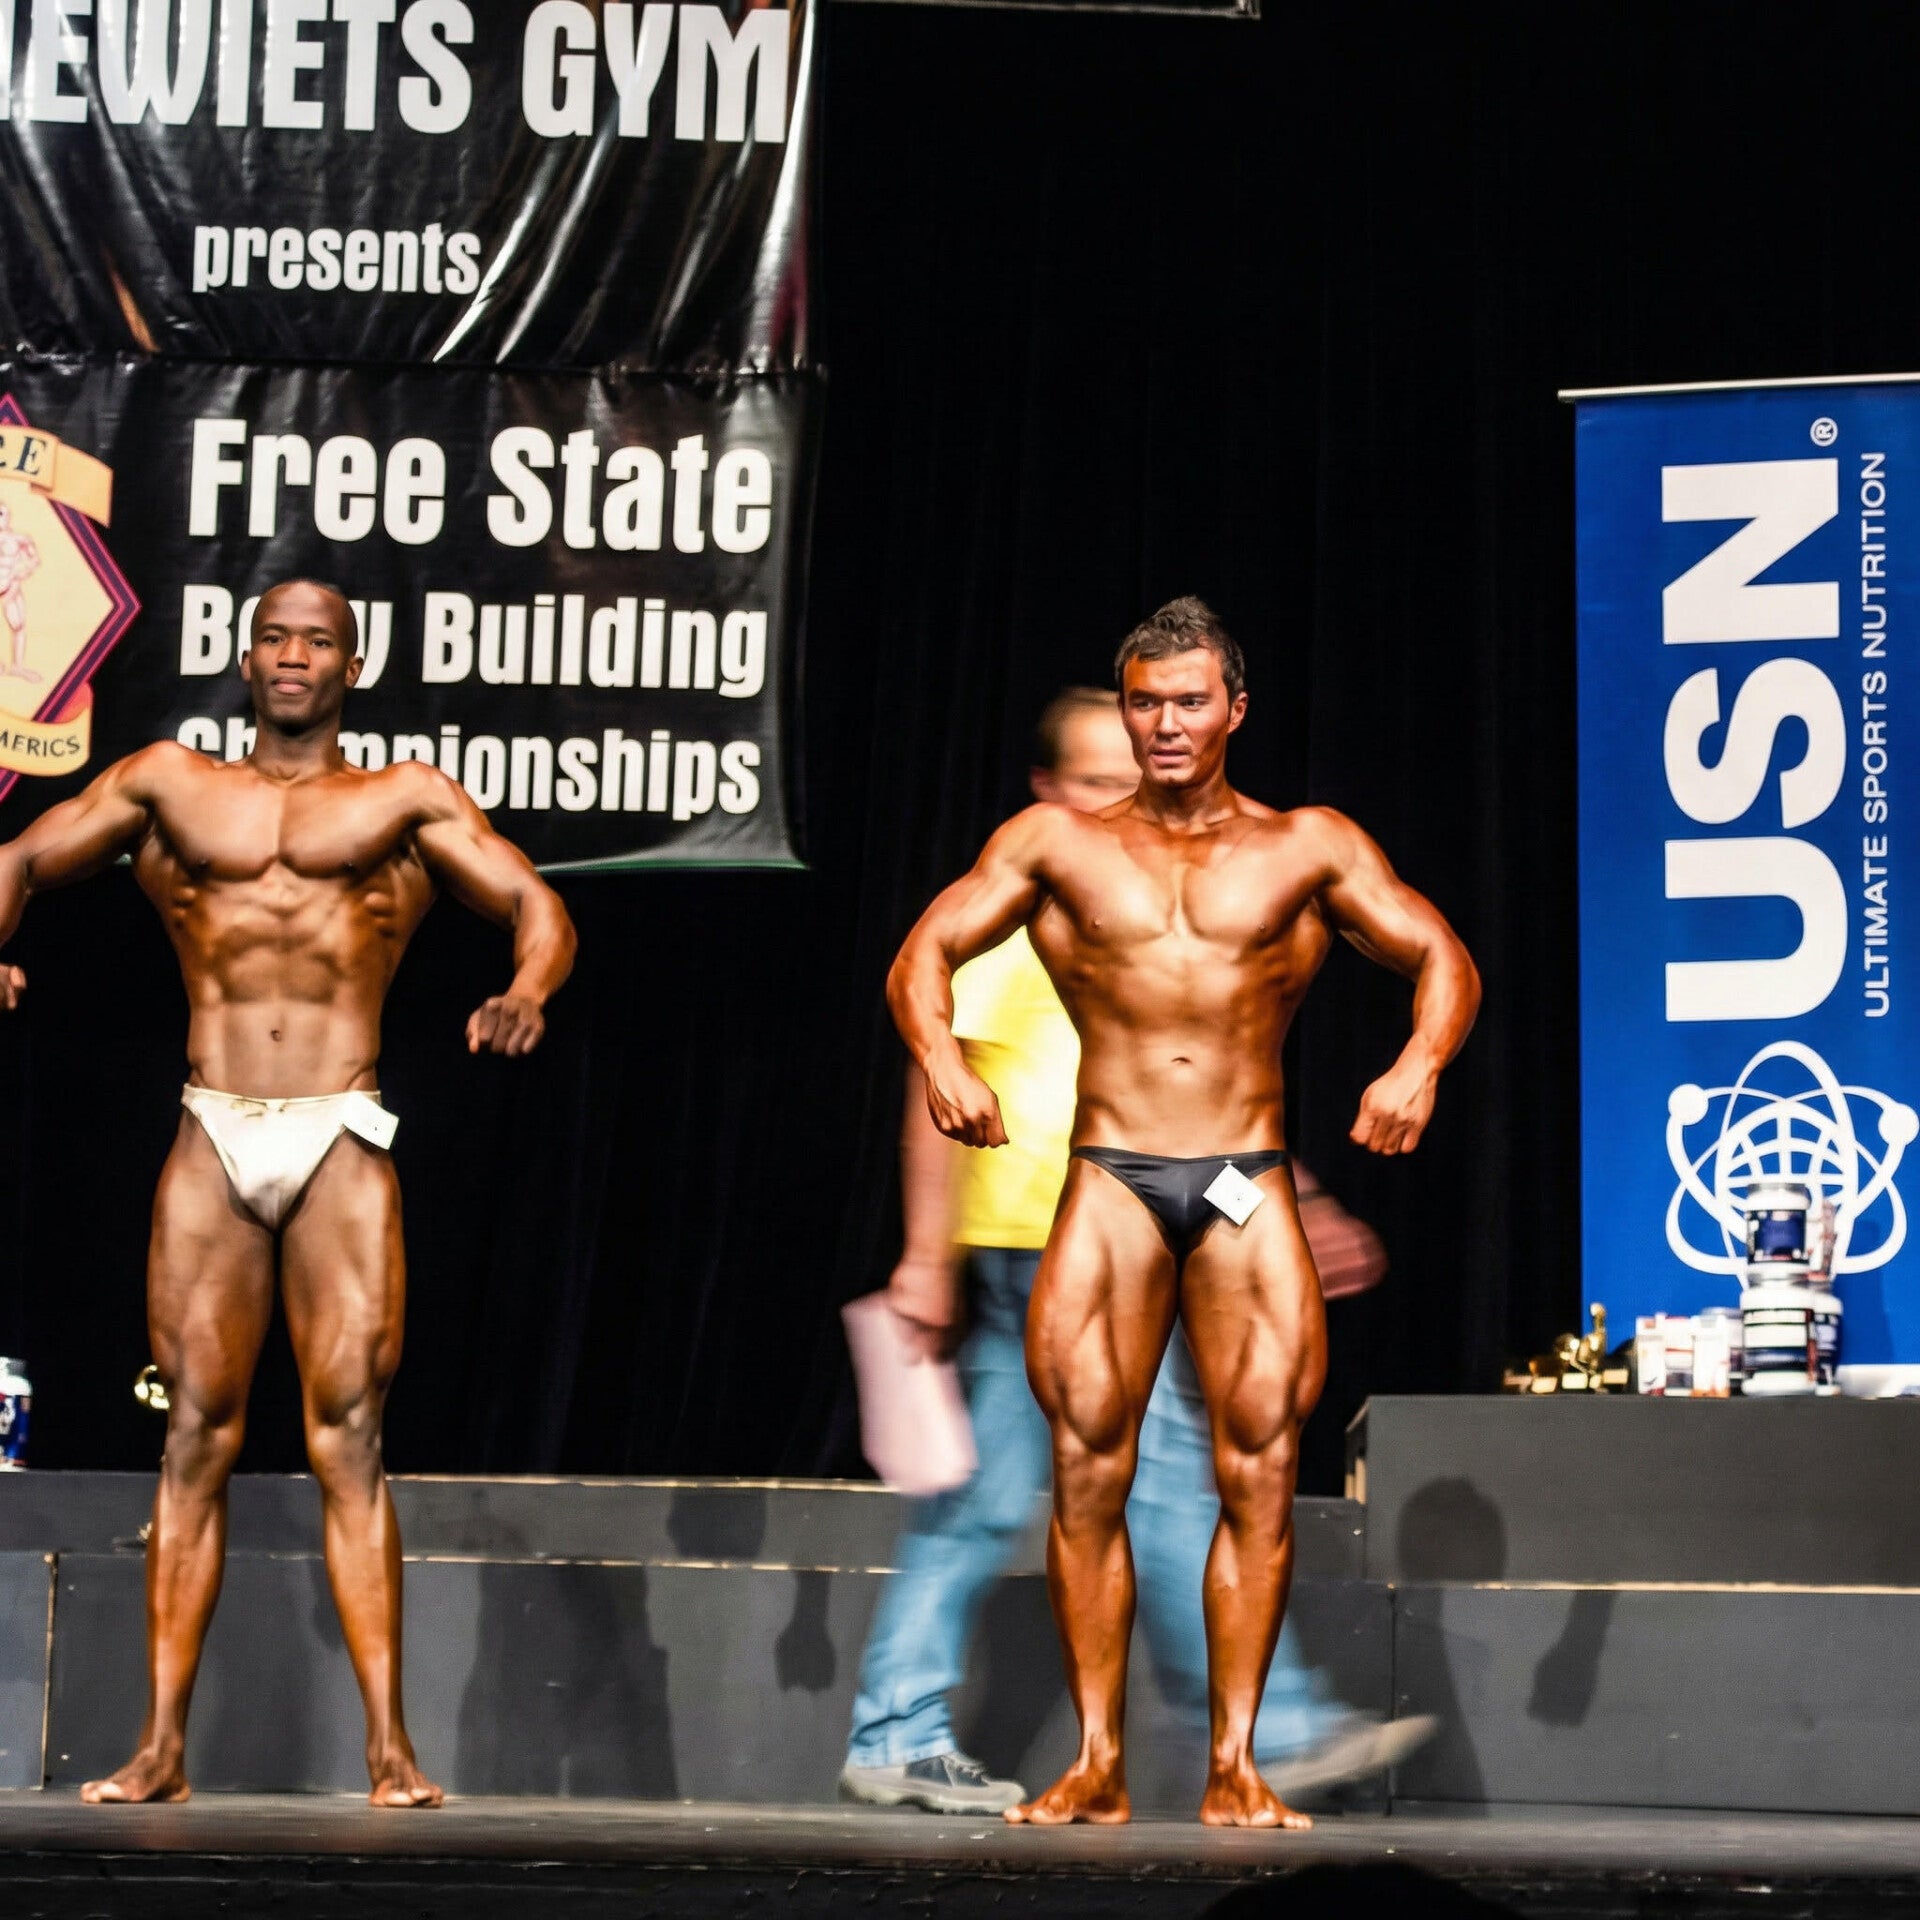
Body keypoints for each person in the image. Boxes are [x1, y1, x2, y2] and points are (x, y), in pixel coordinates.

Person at [888, 599, 1479, 1828]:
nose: (1165, 724)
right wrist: (941, 1059)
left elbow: (1442, 956)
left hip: (1239, 1178)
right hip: (1112, 1172)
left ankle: (1237, 1765)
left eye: (1190, 701)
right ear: (1126, 708)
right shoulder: (1055, 843)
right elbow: (922, 955)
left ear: (1234, 710)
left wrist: (1418, 1065)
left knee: (1259, 1468)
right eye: (1146, 702)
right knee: (1086, 1471)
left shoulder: (1305, 847)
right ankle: (1097, 1762)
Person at [0, 580, 577, 1807]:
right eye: (275, 637)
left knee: (350, 1438)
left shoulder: (402, 799)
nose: (294, 655)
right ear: (245, 656)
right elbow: (18, 859)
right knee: (193, 1436)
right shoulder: (168, 785)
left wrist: (528, 988)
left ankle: (390, 1752)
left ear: (351, 666)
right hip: (212, 1126)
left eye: (318, 640)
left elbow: (536, 901)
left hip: (339, 1132)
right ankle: (160, 1749)